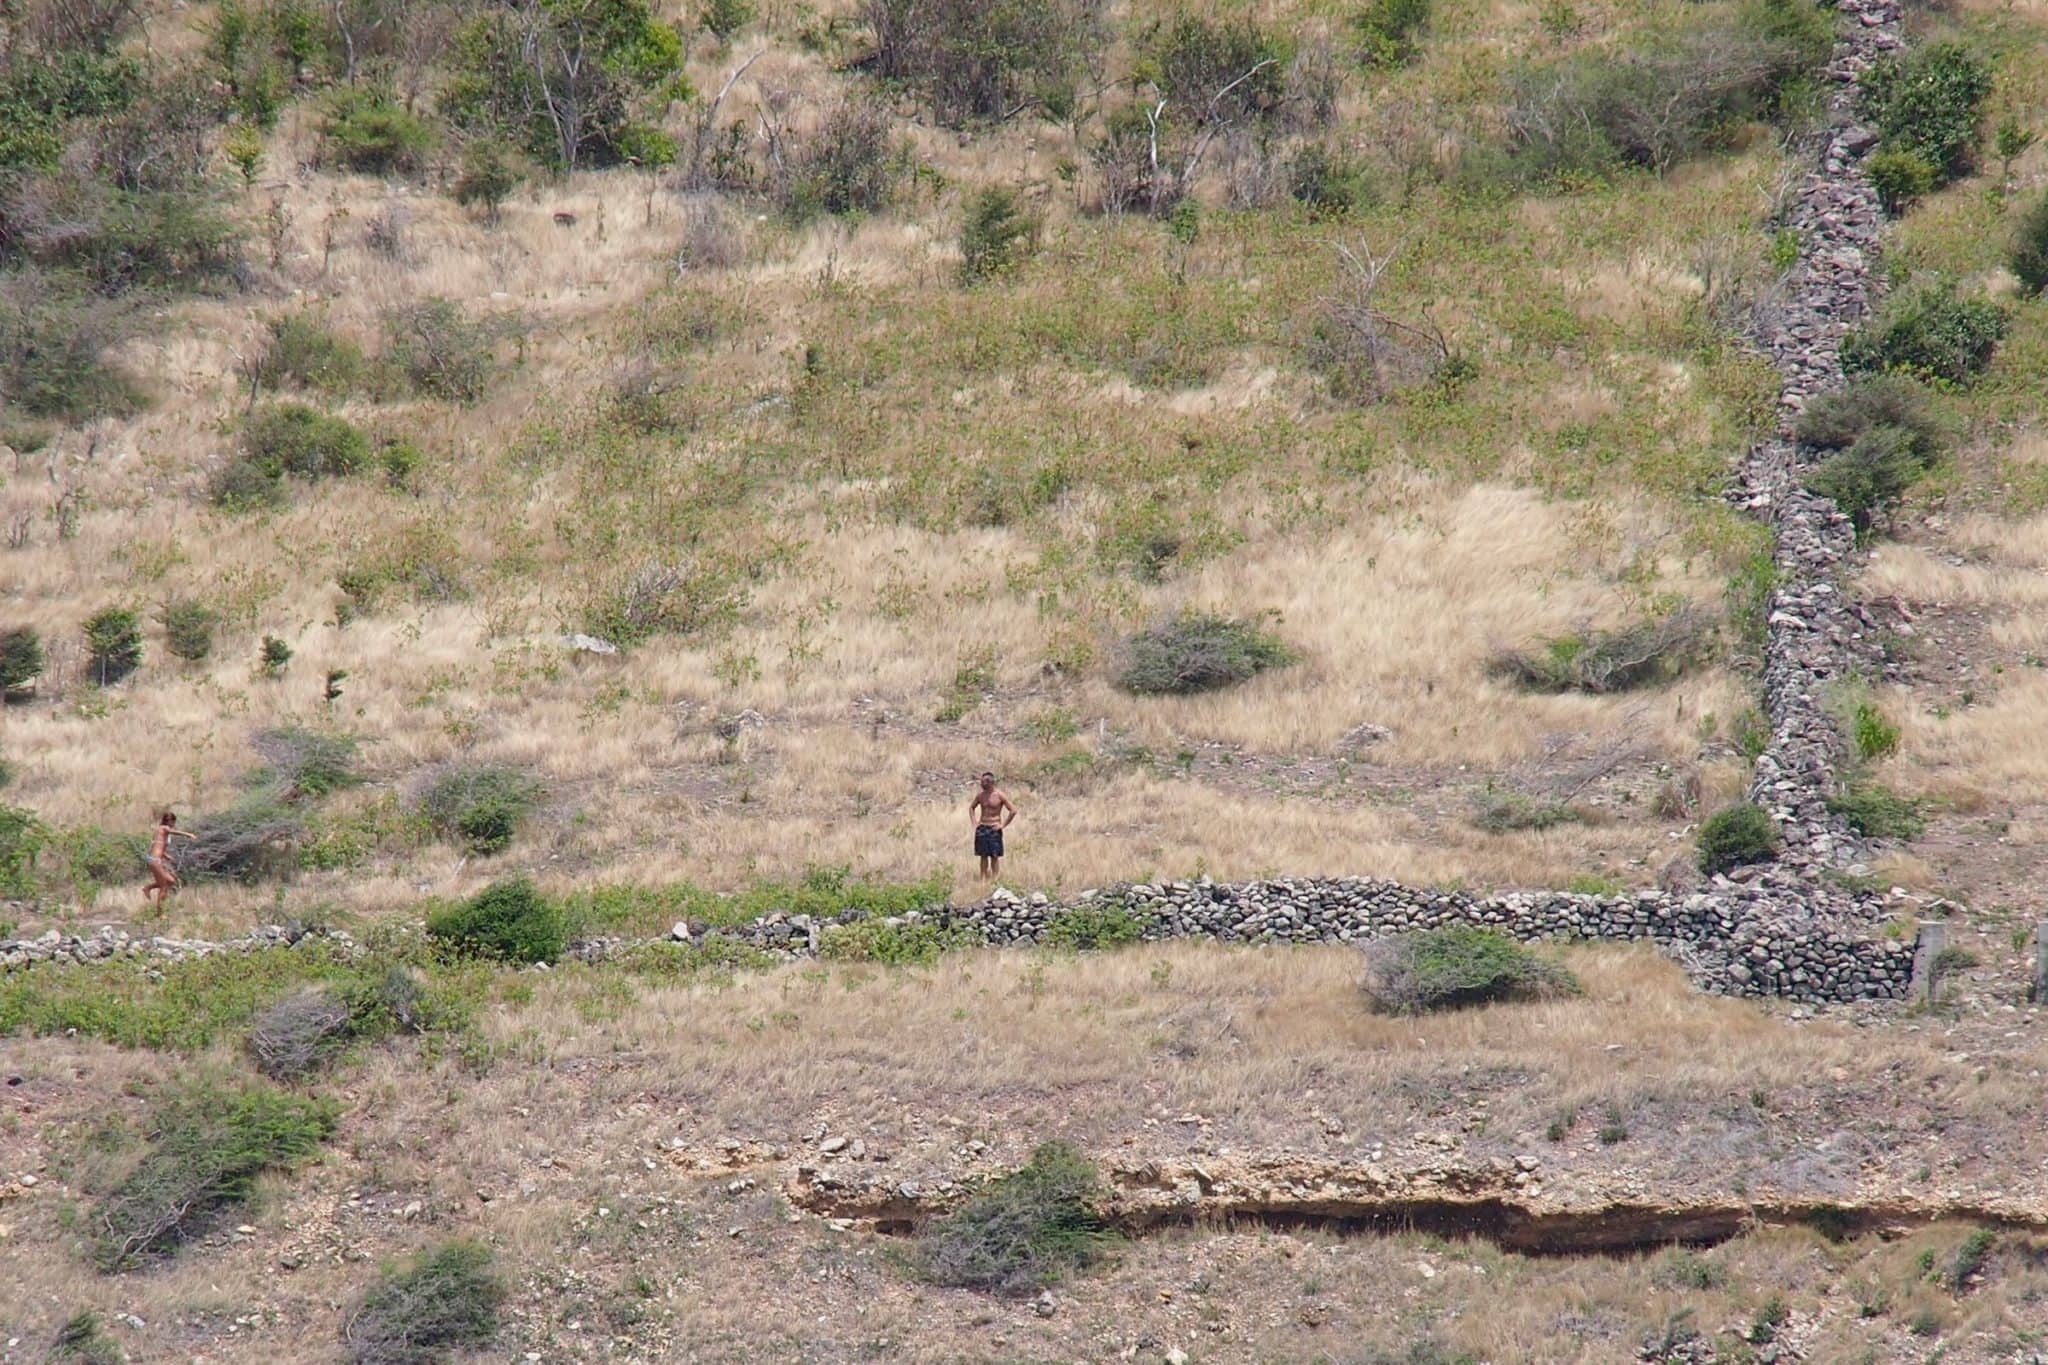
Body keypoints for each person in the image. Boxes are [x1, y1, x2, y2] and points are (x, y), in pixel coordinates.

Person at [968, 771, 1017, 881]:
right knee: (983, 855)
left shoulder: (999, 795)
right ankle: (983, 879)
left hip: (994, 828)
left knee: (994, 856)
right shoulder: (980, 796)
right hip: (982, 828)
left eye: (983, 782)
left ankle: (995, 880)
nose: (981, 784)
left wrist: (1003, 825)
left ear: (990, 782)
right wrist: (974, 823)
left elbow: (1013, 810)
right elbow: (971, 808)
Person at [144, 810, 195, 905]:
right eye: (173, 822)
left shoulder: (162, 832)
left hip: (156, 858)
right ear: (169, 821)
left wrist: (166, 856)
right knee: (164, 886)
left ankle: (148, 887)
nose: (173, 824)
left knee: (171, 881)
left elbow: (158, 846)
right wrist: (188, 834)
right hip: (154, 860)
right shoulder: (163, 828)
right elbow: (172, 832)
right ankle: (160, 913)